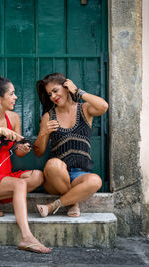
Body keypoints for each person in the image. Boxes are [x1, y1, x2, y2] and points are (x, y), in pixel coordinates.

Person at [0, 74, 51, 253]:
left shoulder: (14, 118)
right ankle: (26, 237)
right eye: (12, 94)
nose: (15, 97)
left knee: (37, 176)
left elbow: (16, 152)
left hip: (3, 176)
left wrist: (23, 149)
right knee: (20, 183)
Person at [34, 73, 108, 217]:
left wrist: (78, 91)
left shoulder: (85, 109)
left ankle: (53, 206)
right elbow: (38, 152)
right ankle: (74, 202)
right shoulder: (49, 116)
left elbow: (103, 106)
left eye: (55, 91)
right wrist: (43, 132)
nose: (53, 96)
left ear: (66, 87)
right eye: (49, 94)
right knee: (53, 164)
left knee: (95, 181)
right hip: (55, 177)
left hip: (80, 175)